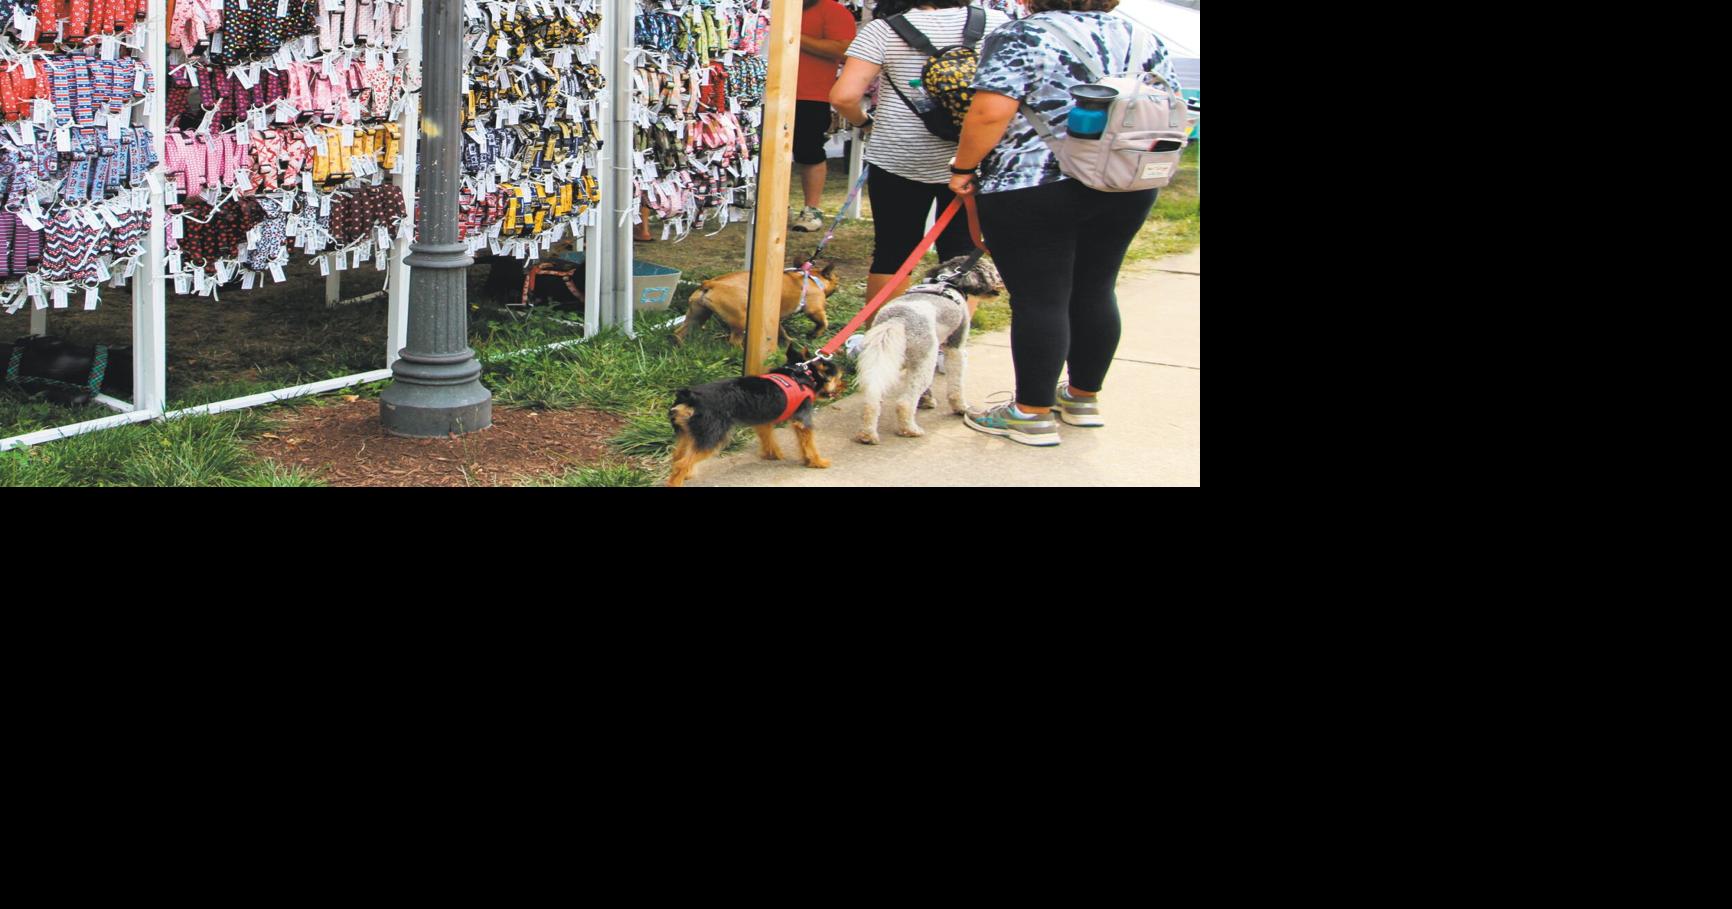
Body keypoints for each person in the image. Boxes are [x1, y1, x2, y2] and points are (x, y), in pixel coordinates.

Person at [947, 0, 1179, 446]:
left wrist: (963, 168)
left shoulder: (1022, 35)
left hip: (1035, 180)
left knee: (1040, 298)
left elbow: (990, 112)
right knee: (1096, 287)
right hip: (1127, 179)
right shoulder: (1141, 35)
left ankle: (1030, 413)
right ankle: (1081, 398)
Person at [830, 0, 1010, 306]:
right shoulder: (997, 23)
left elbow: (844, 96)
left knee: (893, 252)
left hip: (900, 155)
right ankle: (949, 344)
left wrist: (865, 123)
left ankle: (885, 340)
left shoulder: (882, 30)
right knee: (964, 255)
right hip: (975, 155)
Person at [792, 0, 858, 232]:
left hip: (810, 95)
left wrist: (793, 36)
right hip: (762, 94)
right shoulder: (766, 9)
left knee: (808, 151)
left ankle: (812, 209)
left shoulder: (833, 11)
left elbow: (844, 49)